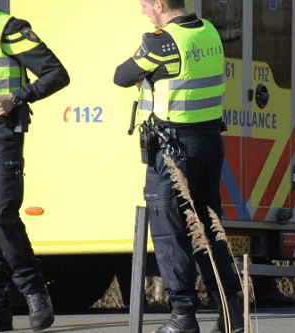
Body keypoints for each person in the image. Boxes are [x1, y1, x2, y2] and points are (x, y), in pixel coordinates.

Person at [114, 1, 243, 332]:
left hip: (173, 151)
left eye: (145, 5)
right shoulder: (208, 31)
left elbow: (122, 76)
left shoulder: (160, 42)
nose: (144, 12)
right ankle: (233, 313)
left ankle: (183, 317)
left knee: (171, 233)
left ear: (158, 5)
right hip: (210, 144)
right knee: (207, 232)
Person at [0, 0, 70, 332]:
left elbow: (56, 74)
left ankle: (35, 292)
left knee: (0, 215)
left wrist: (16, 97)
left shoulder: (10, 28)